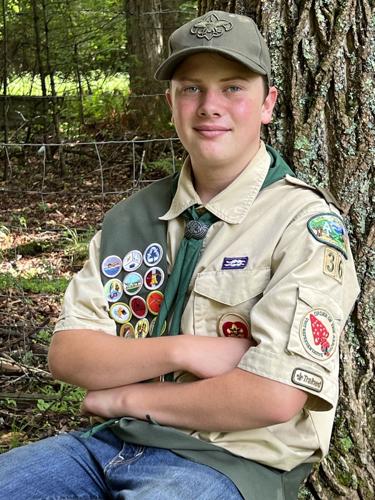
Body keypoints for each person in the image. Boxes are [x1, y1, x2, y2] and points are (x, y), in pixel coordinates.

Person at [0, 10, 360, 500]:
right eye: (191, 88)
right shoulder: (131, 219)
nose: (210, 105)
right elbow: (69, 354)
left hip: (228, 462)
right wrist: (182, 349)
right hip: (108, 445)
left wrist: (125, 396)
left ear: (268, 103)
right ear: (171, 102)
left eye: (233, 87)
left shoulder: (302, 226)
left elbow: (273, 396)